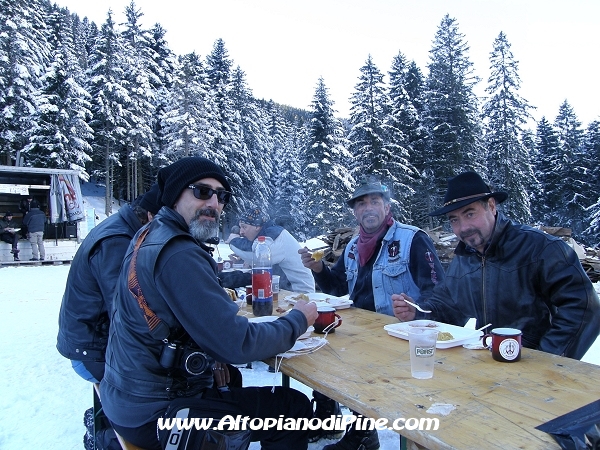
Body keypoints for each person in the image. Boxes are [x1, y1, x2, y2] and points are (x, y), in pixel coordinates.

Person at [100, 157, 318, 450]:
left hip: (130, 397)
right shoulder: (178, 252)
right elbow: (237, 343)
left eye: (221, 196)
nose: (214, 203)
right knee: (293, 408)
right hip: (158, 414)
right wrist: (297, 320)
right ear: (175, 195)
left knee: (232, 379)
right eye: (202, 192)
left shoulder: (150, 235)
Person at [298, 179, 445, 450]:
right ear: (355, 212)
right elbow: (339, 287)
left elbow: (439, 291)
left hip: (401, 337)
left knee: (355, 360)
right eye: (361, 203)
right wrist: (318, 269)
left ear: (387, 206)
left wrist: (417, 309)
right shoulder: (354, 246)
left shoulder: (412, 239)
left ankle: (363, 435)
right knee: (319, 346)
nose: (368, 208)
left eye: (374, 201)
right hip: (362, 332)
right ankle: (342, 422)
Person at [393, 171, 600, 360]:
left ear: (491, 206)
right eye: (454, 220)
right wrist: (418, 313)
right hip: (492, 362)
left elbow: (584, 308)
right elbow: (447, 305)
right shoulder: (465, 257)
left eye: (470, 214)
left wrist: (547, 359)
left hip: (536, 367)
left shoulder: (541, 249)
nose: (463, 228)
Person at [57, 183, 162, 383]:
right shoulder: (118, 242)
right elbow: (126, 309)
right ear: (151, 216)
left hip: (93, 341)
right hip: (93, 350)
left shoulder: (126, 230)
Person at [229, 207, 315, 293]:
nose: (241, 232)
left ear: (257, 226)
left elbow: (256, 256)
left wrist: (233, 241)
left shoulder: (273, 236)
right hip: (284, 291)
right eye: (240, 228)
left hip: (300, 294)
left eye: (244, 227)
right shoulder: (268, 234)